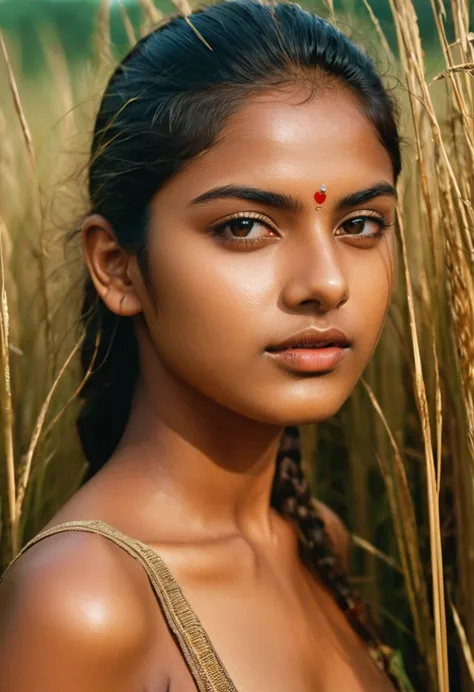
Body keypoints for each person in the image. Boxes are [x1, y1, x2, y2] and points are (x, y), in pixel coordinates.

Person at [0, 1, 409, 689]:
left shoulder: (316, 542)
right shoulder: (81, 604)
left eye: (361, 223)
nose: (327, 282)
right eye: (245, 227)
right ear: (117, 266)